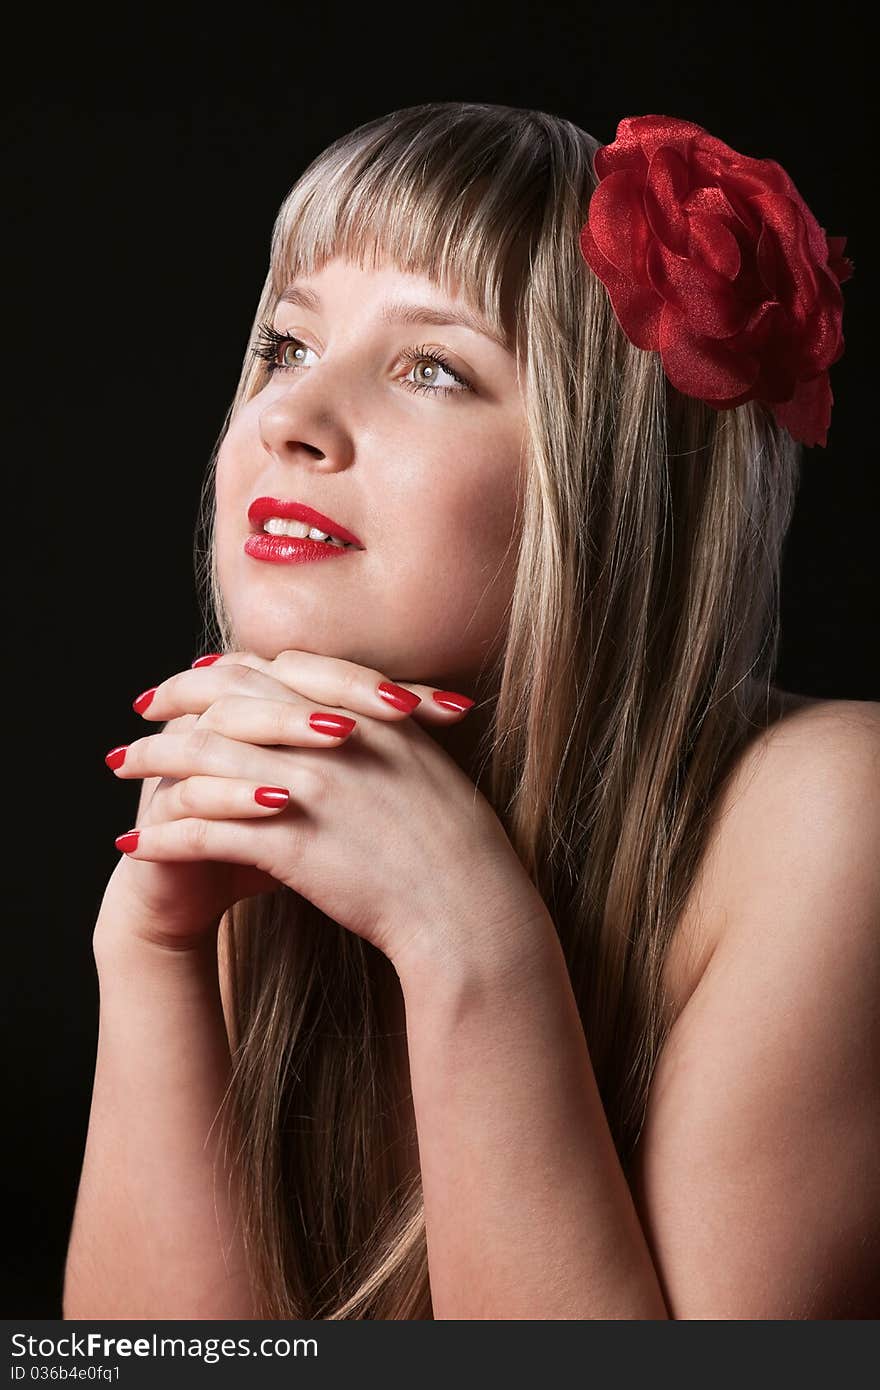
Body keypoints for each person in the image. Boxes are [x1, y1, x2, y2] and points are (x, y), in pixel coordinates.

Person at [63, 101, 877, 1321]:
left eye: (430, 368)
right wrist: (149, 956)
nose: (288, 418)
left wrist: (470, 946)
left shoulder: (833, 812)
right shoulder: (278, 812)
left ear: (608, 485)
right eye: (285, 348)